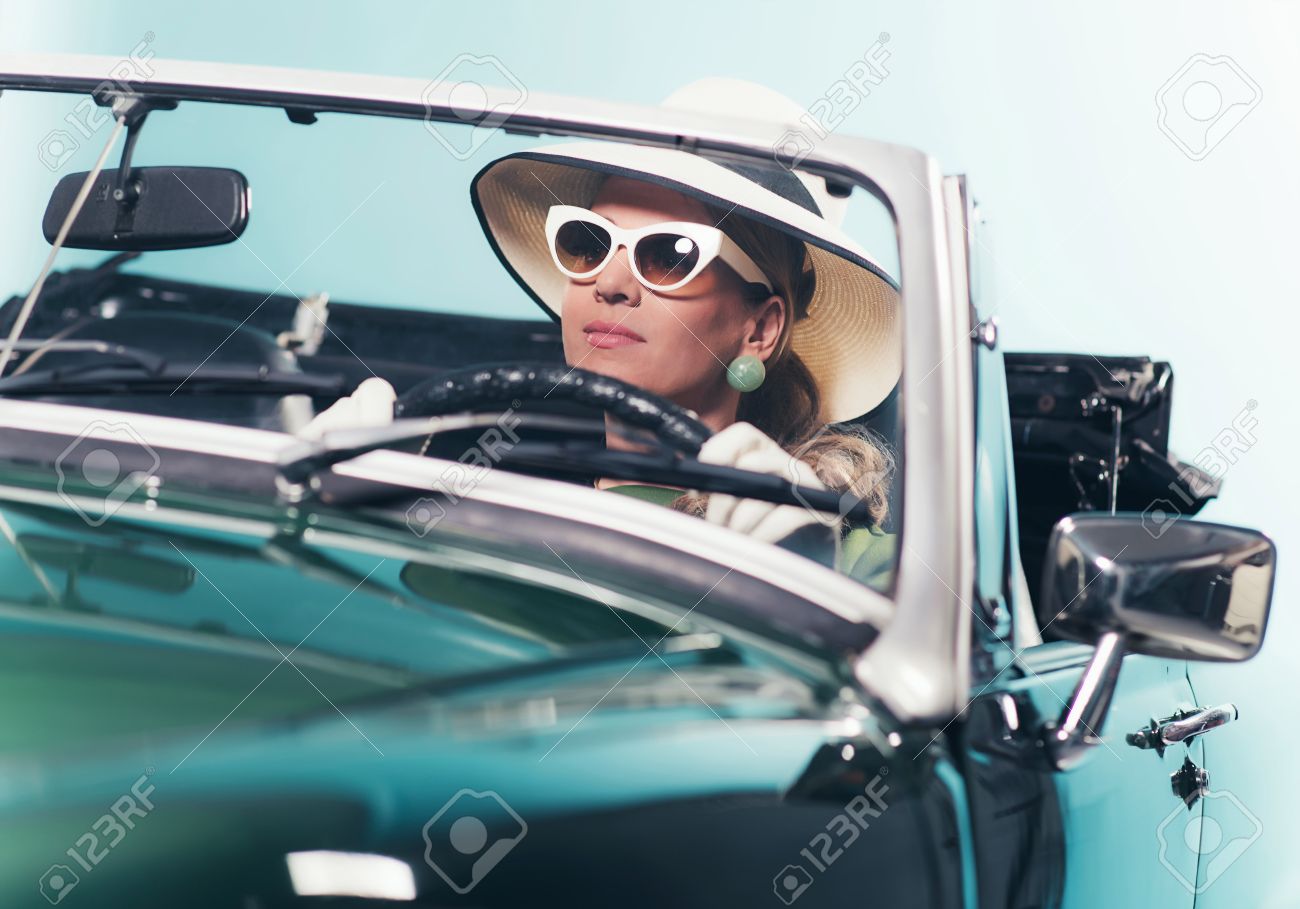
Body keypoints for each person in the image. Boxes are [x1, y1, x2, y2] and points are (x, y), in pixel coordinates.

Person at [304, 80, 902, 586]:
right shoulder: (490, 524)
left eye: (669, 254)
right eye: (588, 243)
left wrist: (799, 580)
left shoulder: (855, 563)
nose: (611, 284)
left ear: (761, 328)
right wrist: (340, 519)